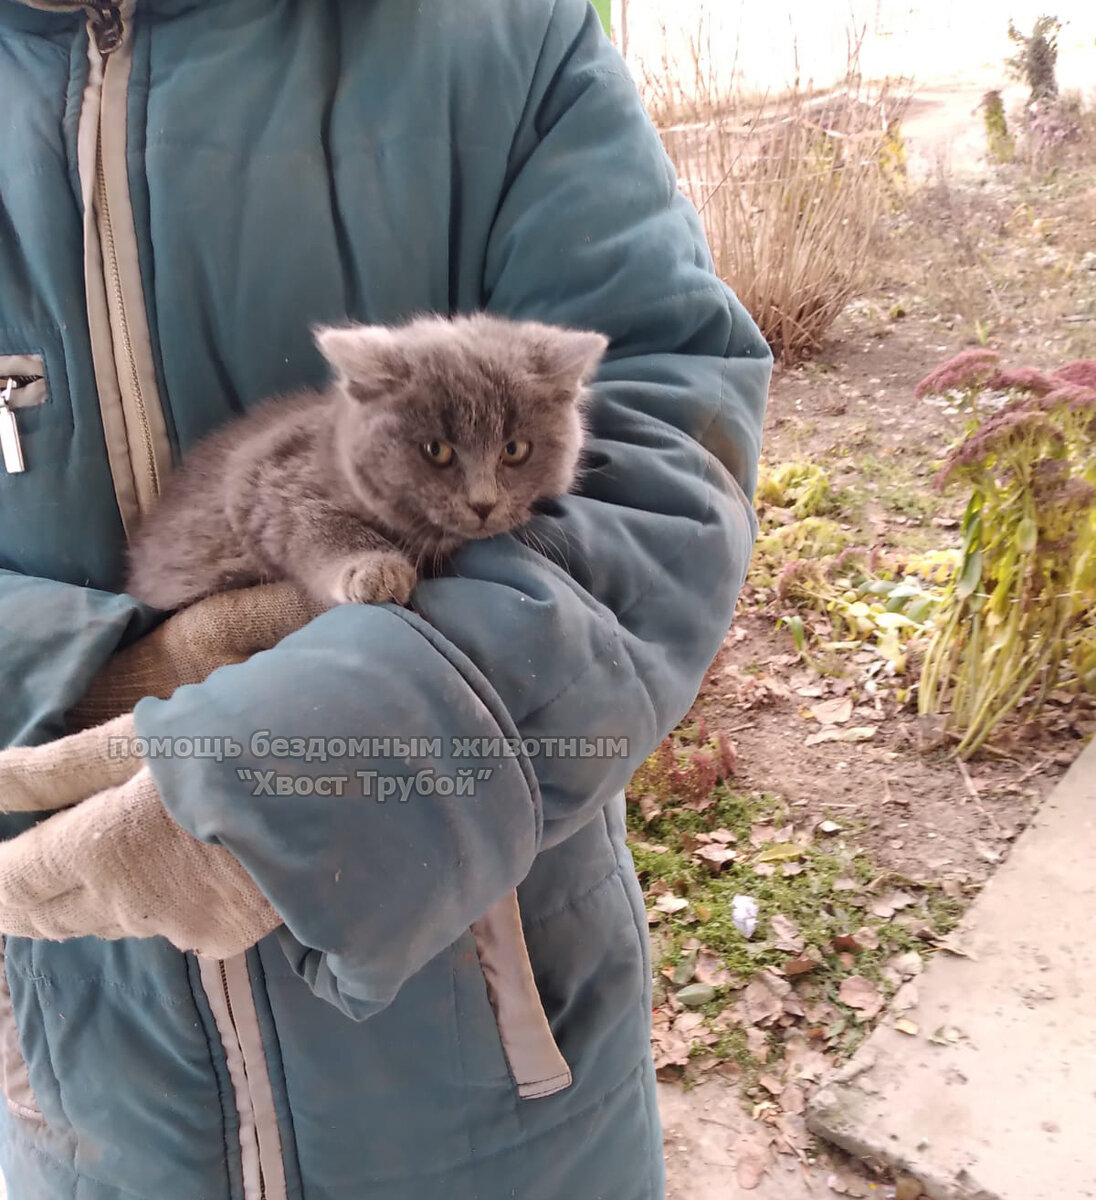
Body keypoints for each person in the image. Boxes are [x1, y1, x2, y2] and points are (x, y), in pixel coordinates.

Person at [0, 1, 770, 1197]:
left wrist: (341, 766)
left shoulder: (493, 36)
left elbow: (676, 430)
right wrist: (78, 680)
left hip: (490, 1084)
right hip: (78, 1083)